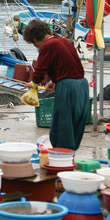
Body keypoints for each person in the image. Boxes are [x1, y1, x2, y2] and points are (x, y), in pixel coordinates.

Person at [22, 19, 89, 151]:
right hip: (82, 85)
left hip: (68, 88)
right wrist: (54, 81)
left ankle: (61, 156)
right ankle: (70, 155)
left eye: (34, 43)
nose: (36, 46)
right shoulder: (63, 41)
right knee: (75, 126)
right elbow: (69, 65)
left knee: (62, 126)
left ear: (35, 38)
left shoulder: (48, 45)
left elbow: (40, 69)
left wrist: (34, 83)